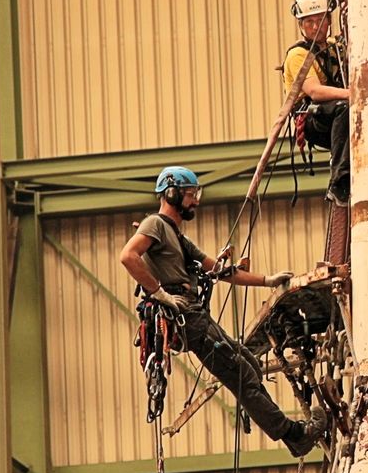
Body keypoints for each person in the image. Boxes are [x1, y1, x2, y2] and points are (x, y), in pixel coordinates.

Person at [120, 166, 326, 456]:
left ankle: (287, 432)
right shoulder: (154, 224)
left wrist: (267, 281)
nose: (196, 201)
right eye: (191, 195)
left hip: (195, 315)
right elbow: (128, 256)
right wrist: (159, 294)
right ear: (172, 192)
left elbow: (219, 271)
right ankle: (294, 436)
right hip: (186, 317)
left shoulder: (176, 236)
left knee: (248, 362)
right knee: (240, 373)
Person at [282, 0, 350, 206]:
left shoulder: (335, 48)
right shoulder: (298, 55)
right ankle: (338, 182)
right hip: (313, 118)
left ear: (329, 20)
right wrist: (354, 94)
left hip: (336, 112)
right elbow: (315, 92)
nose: (314, 26)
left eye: (320, 20)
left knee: (349, 110)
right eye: (308, 21)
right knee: (345, 108)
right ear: (301, 25)